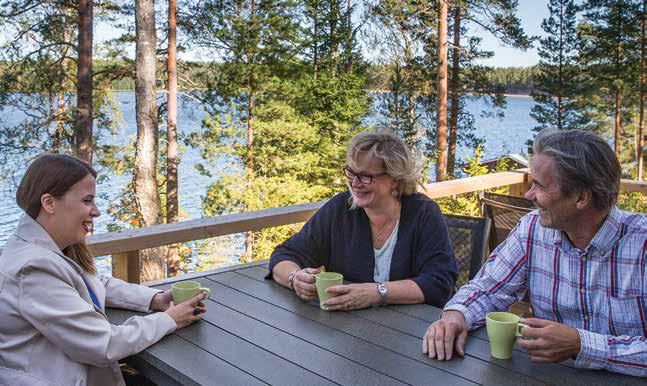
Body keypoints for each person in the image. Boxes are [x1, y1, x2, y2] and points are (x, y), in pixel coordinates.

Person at [422, 130, 647, 377]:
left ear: (581, 197)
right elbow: (488, 288)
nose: (529, 195)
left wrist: (582, 345)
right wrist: (456, 316)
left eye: (538, 186)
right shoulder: (532, 230)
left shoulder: (641, 246)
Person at [0, 154, 206, 386]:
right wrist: (169, 319)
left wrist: (155, 299)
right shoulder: (33, 268)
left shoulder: (37, 247)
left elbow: (95, 283)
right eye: (87, 201)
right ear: (49, 203)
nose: (96, 211)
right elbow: (103, 343)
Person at [269, 129, 457, 310]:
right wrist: (295, 279)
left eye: (366, 176)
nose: (355, 183)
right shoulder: (340, 208)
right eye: (351, 172)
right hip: (350, 330)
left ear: (395, 179)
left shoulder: (423, 213)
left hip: (415, 332)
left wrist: (377, 293)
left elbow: (439, 283)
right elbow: (284, 255)